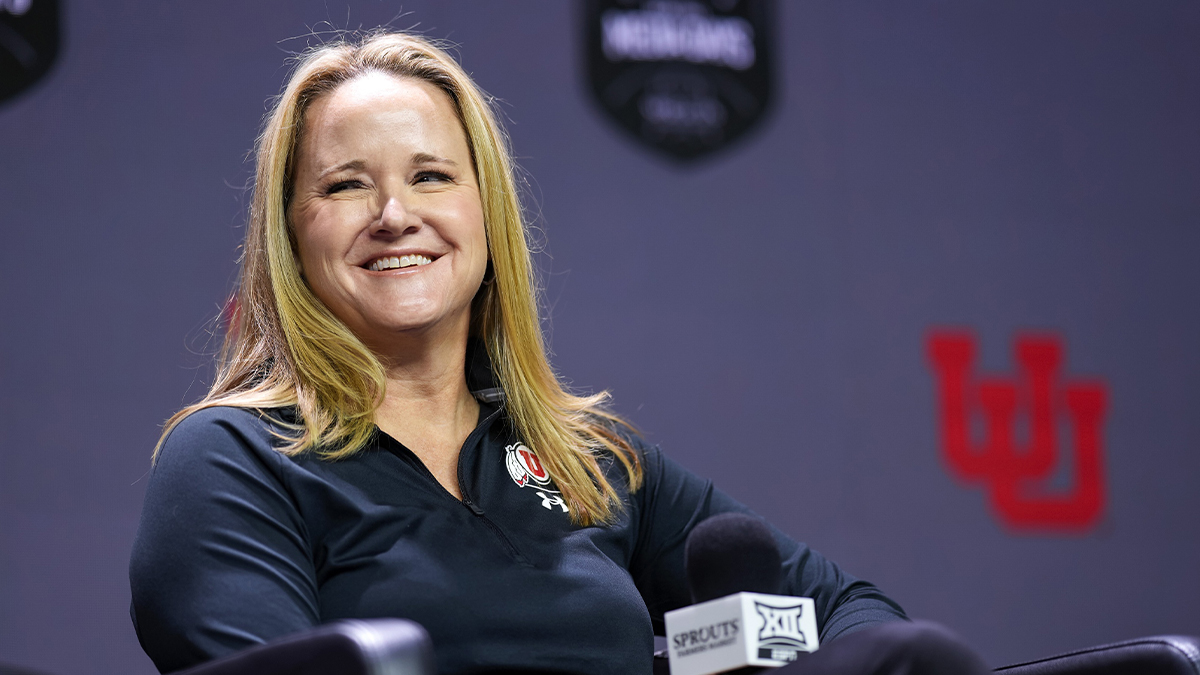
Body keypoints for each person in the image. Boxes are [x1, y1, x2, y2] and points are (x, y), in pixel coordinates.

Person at [129, 31, 988, 675]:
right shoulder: (234, 459)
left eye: (431, 176)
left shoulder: (588, 462)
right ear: (292, 232)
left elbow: (852, 611)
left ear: (486, 214)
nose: (395, 213)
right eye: (346, 184)